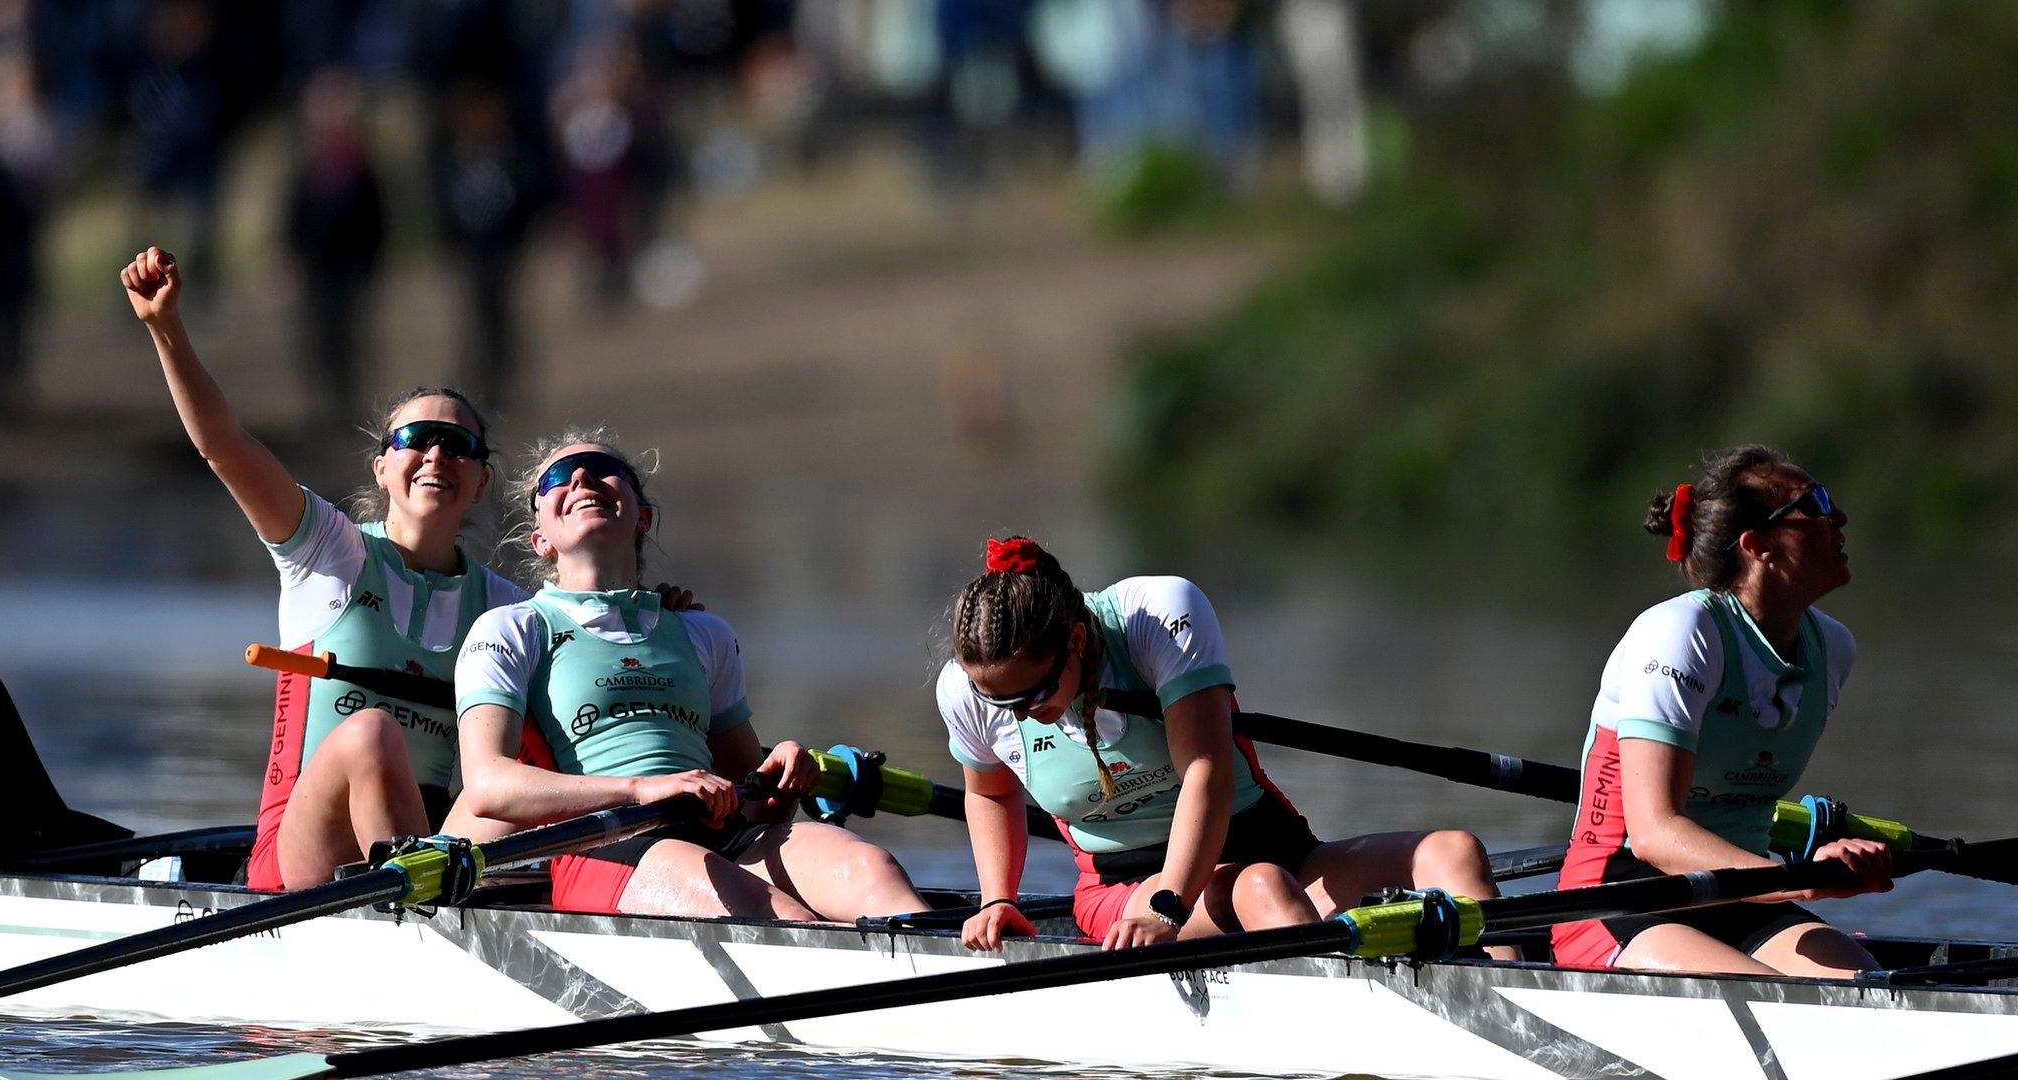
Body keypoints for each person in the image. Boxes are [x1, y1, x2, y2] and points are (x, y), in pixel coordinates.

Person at [121, 245, 528, 892]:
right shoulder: (328, 555)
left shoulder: (508, 611)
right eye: (414, 441)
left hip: (423, 850)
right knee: (371, 734)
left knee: (529, 773)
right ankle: (426, 898)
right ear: (382, 468)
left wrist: (655, 613)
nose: (435, 455)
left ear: (480, 482)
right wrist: (166, 328)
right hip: (297, 857)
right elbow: (225, 448)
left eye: (458, 446)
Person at [938, 537, 1507, 952]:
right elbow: (990, 795)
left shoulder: (1155, 616)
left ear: (1078, 641)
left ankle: (1522, 1000)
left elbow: (1205, 774)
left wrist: (1175, 907)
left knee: (1453, 852)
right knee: (1260, 886)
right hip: (1133, 884)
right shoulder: (964, 692)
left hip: (1274, 849)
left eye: (1033, 692)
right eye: (1000, 703)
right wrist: (998, 900)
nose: (1021, 712)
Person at [446, 433, 929, 920]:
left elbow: (753, 803)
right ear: (541, 538)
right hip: (603, 843)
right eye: (556, 478)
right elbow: (489, 786)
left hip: (721, 838)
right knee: (782, 920)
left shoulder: (703, 632)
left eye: (600, 467)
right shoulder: (512, 629)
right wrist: (641, 789)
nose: (579, 477)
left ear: (643, 516)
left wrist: (781, 779)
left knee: (872, 867)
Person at [1552, 445, 1892, 977]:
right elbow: (1655, 832)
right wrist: (1795, 878)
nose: (1839, 516)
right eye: (1816, 503)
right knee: (1787, 1008)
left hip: (1740, 899)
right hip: (1617, 902)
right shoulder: (1679, 635)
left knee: (1866, 989)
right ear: (1759, 546)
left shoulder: (1834, 647)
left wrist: (1797, 878)